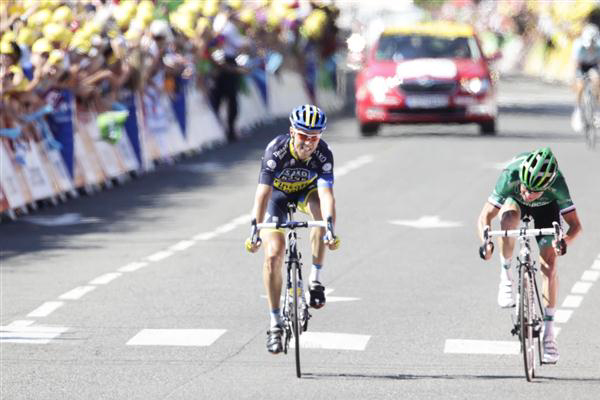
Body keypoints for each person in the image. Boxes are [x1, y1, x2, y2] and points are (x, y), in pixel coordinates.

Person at [245, 104, 340, 354]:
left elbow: (327, 195)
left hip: (304, 194)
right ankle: (275, 324)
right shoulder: (275, 151)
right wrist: (254, 229)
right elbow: (262, 194)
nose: (308, 143)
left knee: (320, 215)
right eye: (303, 136)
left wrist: (330, 228)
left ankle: (316, 281)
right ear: (291, 132)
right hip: (276, 196)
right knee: (274, 254)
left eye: (314, 137)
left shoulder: (323, 154)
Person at [477, 147, 582, 364]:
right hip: (515, 205)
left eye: (533, 191)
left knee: (549, 266)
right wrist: (485, 243)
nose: (527, 193)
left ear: (547, 186)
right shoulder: (511, 175)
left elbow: (575, 226)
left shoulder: (558, 185)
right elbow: (485, 216)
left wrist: (564, 242)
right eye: (525, 187)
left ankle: (549, 334)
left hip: (547, 210)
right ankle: (505, 276)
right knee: (507, 221)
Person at [571, 23, 600, 129]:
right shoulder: (578, 45)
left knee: (597, 81)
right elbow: (575, 64)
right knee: (580, 85)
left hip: (593, 64)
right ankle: (577, 111)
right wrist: (575, 80)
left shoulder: (599, 45)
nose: (590, 47)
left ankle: (597, 111)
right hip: (582, 65)